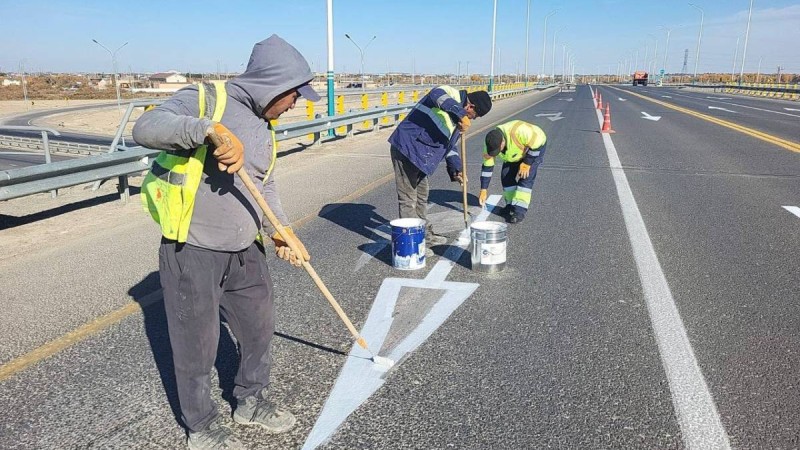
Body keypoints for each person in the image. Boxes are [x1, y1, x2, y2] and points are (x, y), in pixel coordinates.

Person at [132, 35, 319, 450]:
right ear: (272, 85)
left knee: (258, 329)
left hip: (246, 248)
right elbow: (144, 127)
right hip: (193, 249)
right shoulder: (204, 99)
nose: (295, 104)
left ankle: (251, 400)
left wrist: (281, 231)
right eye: (292, 95)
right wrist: (208, 131)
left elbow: (264, 186)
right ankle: (200, 425)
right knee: (196, 345)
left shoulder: (264, 125)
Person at [388, 86, 492, 251]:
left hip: (422, 158)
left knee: (422, 198)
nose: (473, 119)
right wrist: (461, 114)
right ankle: (413, 246)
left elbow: (448, 146)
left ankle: (424, 236)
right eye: (475, 116)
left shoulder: (458, 122)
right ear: (470, 107)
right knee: (408, 199)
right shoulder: (451, 95)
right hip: (407, 148)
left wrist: (456, 168)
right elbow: (436, 94)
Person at [478, 120, 547, 224]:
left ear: (503, 142)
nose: (497, 153)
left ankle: (519, 211)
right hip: (514, 154)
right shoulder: (489, 144)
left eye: (498, 150)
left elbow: (538, 143)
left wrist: (527, 163)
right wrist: (483, 189)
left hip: (534, 148)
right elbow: (487, 167)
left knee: (525, 179)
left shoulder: (519, 132)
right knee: (506, 176)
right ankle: (510, 206)